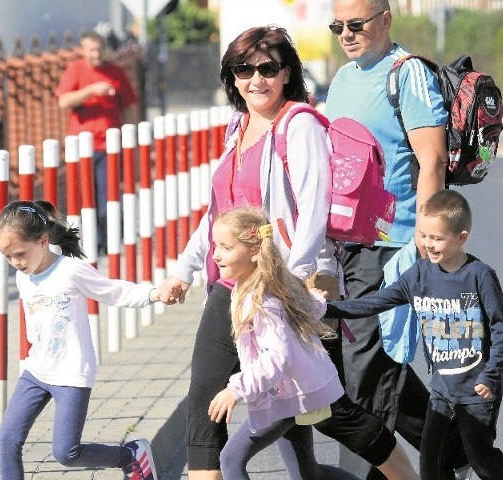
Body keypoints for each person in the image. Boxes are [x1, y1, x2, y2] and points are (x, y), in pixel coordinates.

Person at [158, 25, 417, 480]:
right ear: (231, 76)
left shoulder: (297, 125)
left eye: (267, 69)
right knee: (204, 397)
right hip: (230, 286)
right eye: (244, 69)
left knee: (326, 409)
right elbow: (219, 213)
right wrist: (183, 269)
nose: (255, 79)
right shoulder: (236, 129)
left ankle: (405, 473)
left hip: (281, 287)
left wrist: (290, 284)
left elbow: (313, 209)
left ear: (286, 74)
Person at [322, 190, 503, 480]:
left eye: (437, 238)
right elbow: (377, 302)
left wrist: (492, 374)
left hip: (477, 388)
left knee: (484, 462)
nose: (428, 244)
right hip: (442, 389)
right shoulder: (419, 274)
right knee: (432, 466)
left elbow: (501, 327)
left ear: (461, 237)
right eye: (423, 236)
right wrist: (328, 309)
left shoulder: (479, 276)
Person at [323, 0, 458, 477]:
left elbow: (433, 161)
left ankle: (386, 470)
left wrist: (425, 235)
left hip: (393, 243)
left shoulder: (407, 74)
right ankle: (453, 450)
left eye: (355, 24)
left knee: (366, 372)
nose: (346, 34)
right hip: (347, 246)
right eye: (338, 25)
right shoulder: (341, 79)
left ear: (385, 19)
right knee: (371, 363)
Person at [0, 200, 159, 480]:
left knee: (66, 453)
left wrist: (153, 294)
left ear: (43, 241)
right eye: (8, 257)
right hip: (36, 371)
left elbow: (112, 292)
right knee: (7, 439)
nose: (15, 263)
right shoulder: (23, 278)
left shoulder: (70, 271)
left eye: (20, 254)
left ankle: (130, 455)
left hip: (71, 374)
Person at [206, 207, 359, 480]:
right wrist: (316, 300)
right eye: (215, 245)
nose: (216, 255)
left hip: (286, 393)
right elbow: (305, 304)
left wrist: (235, 390)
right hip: (287, 391)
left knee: (230, 459)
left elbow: (278, 355)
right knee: (307, 474)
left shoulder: (261, 298)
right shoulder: (259, 284)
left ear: (254, 251)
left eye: (226, 247)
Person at [56, 30, 138, 254]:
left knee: (107, 197)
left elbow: (130, 106)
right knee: (85, 197)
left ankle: (107, 241)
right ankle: (90, 241)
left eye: (99, 49)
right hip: (82, 146)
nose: (96, 54)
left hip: (109, 146)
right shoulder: (76, 69)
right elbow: (64, 100)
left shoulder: (115, 71)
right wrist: (91, 90)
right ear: (83, 51)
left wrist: (132, 137)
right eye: (91, 50)